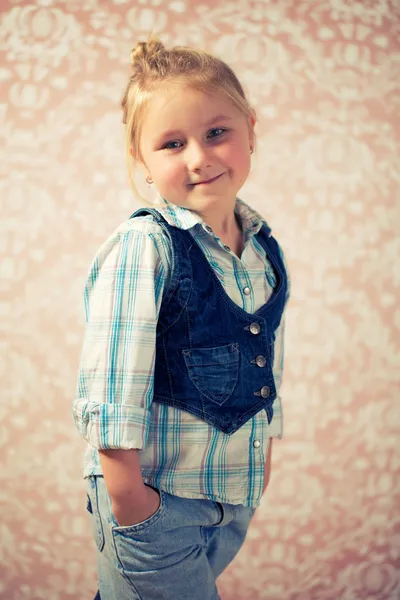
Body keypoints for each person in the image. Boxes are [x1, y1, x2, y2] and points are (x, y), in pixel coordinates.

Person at [73, 37, 290, 600]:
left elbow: (266, 360)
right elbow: (114, 382)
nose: (200, 156)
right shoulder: (145, 246)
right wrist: (131, 500)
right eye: (173, 143)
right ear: (142, 161)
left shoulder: (263, 250)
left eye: (216, 132)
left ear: (250, 128)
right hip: (156, 499)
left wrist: (262, 458)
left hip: (229, 495)